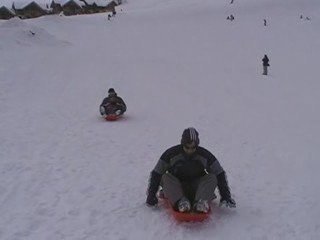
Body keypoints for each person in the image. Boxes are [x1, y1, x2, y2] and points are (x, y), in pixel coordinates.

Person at [146, 127, 236, 213]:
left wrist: (225, 196)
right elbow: (156, 173)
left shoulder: (205, 155)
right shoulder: (170, 154)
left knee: (212, 177)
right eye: (187, 147)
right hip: (177, 188)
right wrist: (151, 195)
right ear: (182, 144)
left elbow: (219, 173)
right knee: (165, 177)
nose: (190, 150)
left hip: (198, 189)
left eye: (193, 148)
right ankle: (181, 202)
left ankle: (200, 203)